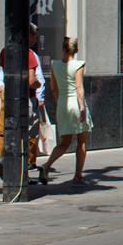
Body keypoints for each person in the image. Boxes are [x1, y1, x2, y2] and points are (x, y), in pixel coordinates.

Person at [41, 38, 92, 186]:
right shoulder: (78, 65)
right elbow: (79, 87)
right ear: (76, 50)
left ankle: (46, 165)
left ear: (63, 50)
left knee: (64, 142)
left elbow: (53, 88)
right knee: (81, 141)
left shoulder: (55, 65)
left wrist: (59, 102)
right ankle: (78, 175)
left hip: (62, 104)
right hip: (75, 104)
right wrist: (82, 107)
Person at [0, 42, 43, 180]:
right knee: (26, 137)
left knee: (9, 132)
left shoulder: (4, 52)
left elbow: (4, 73)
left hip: (9, 98)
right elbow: (31, 81)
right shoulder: (29, 54)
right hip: (26, 98)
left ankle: (9, 166)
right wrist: (39, 84)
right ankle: (23, 171)